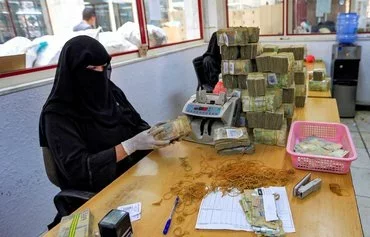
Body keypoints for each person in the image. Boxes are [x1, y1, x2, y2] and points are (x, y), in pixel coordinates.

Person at [39, 36, 170, 199]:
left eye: (105, 67)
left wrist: (157, 134)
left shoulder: (110, 92)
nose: (100, 75)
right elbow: (78, 169)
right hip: (97, 192)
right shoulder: (57, 114)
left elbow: (135, 123)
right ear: (73, 70)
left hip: (132, 175)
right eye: (93, 68)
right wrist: (130, 146)